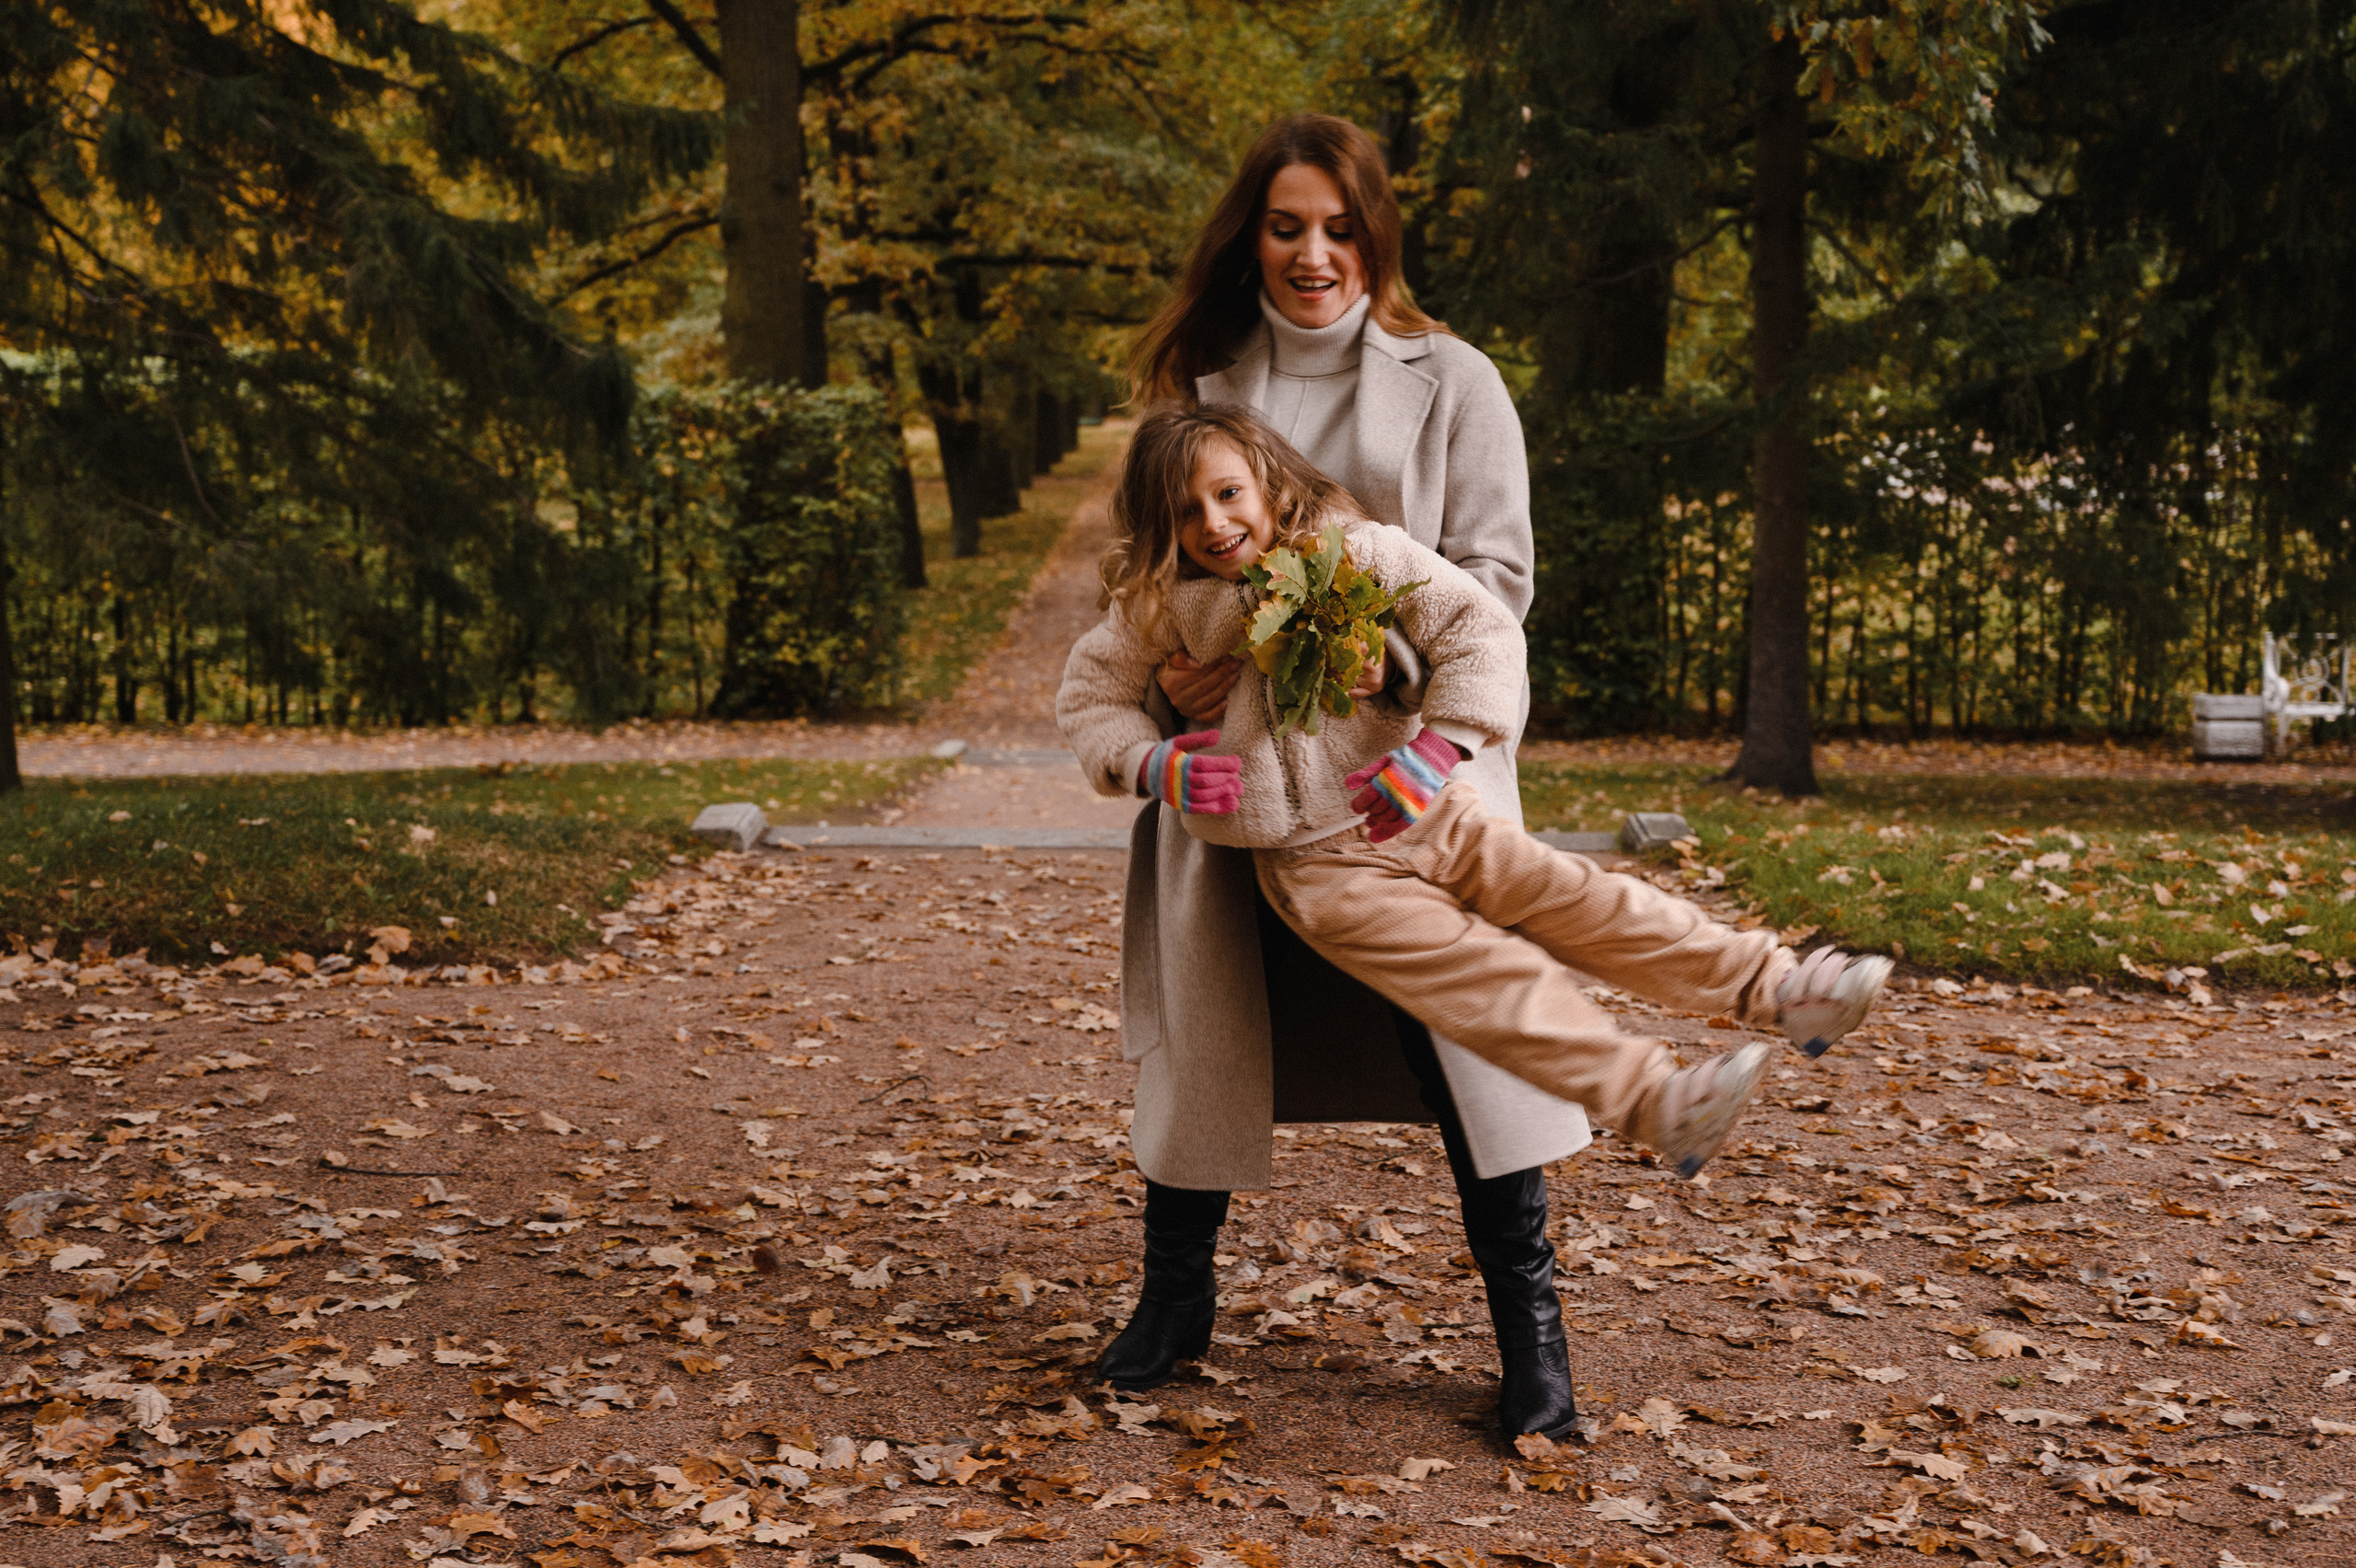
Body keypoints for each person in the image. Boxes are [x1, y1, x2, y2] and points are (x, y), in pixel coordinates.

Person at [1060, 406, 1891, 1437]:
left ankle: (1777, 987)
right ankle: (1656, 1101)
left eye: (1229, 493)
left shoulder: (1351, 553)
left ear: (1269, 482)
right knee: (1478, 977)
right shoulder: (1162, 608)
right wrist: (1155, 759)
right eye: (1186, 512)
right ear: (1158, 526)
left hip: (1422, 808)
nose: (1216, 523)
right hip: (1317, 868)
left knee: (1578, 895)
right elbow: (1090, 700)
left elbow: (1478, 629)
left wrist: (1438, 742)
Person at [1114, 111, 1582, 1436]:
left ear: (1374, 233)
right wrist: (1173, 683)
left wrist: (1377, 654)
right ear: (1249, 238)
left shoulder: (1457, 379)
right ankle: (1174, 1300)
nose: (1313, 253)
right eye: (1285, 226)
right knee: (1213, 1037)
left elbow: (1498, 586)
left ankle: (1533, 1341)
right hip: (1244, 791)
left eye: (1338, 227)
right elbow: (1149, 581)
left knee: (1463, 1051)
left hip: (1409, 784)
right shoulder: (1200, 384)